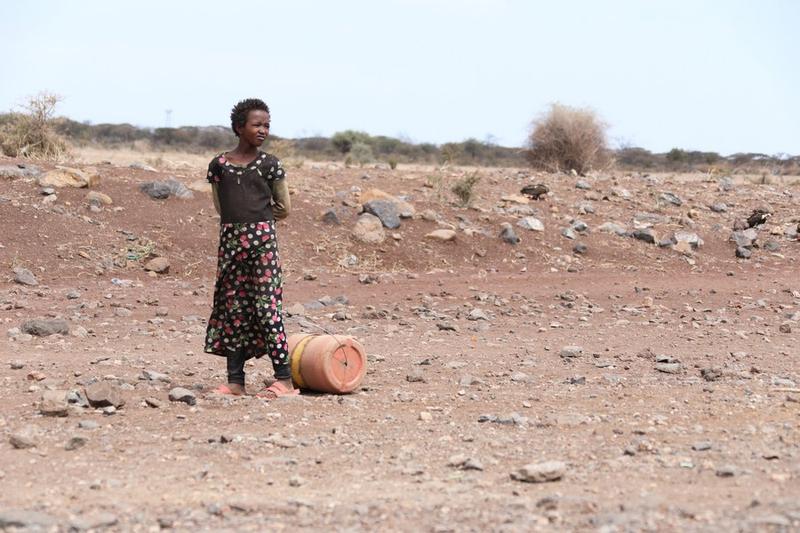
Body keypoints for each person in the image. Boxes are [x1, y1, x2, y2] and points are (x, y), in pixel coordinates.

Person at [204, 98, 297, 399]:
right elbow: (222, 207)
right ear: (238, 127)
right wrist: (242, 226)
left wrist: (259, 223)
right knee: (233, 309)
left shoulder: (270, 165)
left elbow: (283, 207)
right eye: (257, 124)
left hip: (263, 246)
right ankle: (235, 382)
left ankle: (285, 380)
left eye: (267, 125)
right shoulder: (219, 166)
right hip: (231, 246)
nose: (263, 130)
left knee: (267, 308)